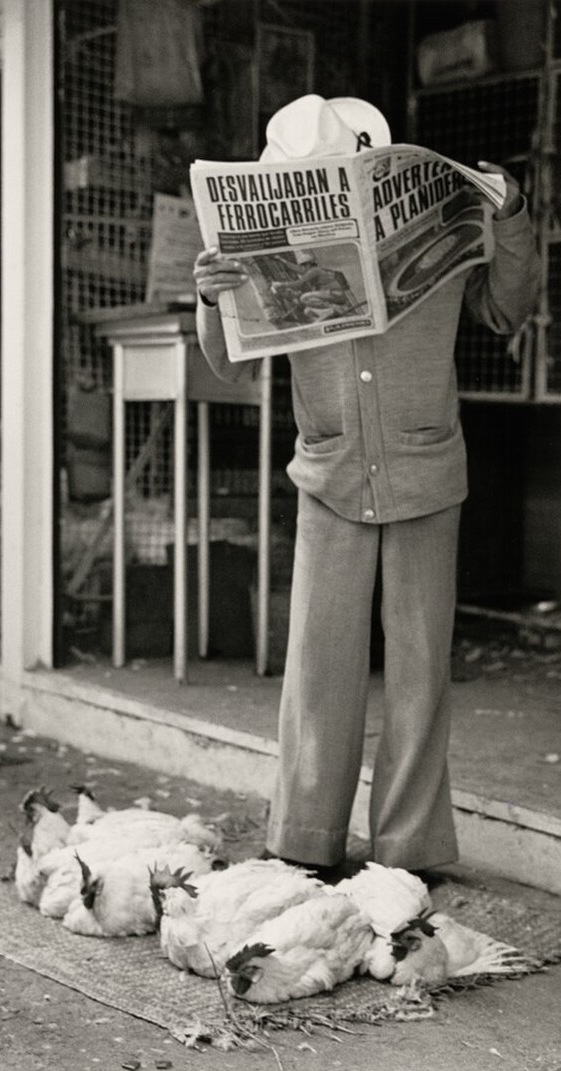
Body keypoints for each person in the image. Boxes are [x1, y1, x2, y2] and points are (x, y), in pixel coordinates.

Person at [193, 94, 540, 880]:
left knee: (420, 668)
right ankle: (303, 841)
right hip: (329, 470)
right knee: (319, 665)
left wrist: (511, 217)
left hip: (424, 465)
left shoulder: (442, 221)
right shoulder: (268, 249)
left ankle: (409, 850)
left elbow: (505, 309)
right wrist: (211, 294)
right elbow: (230, 364)